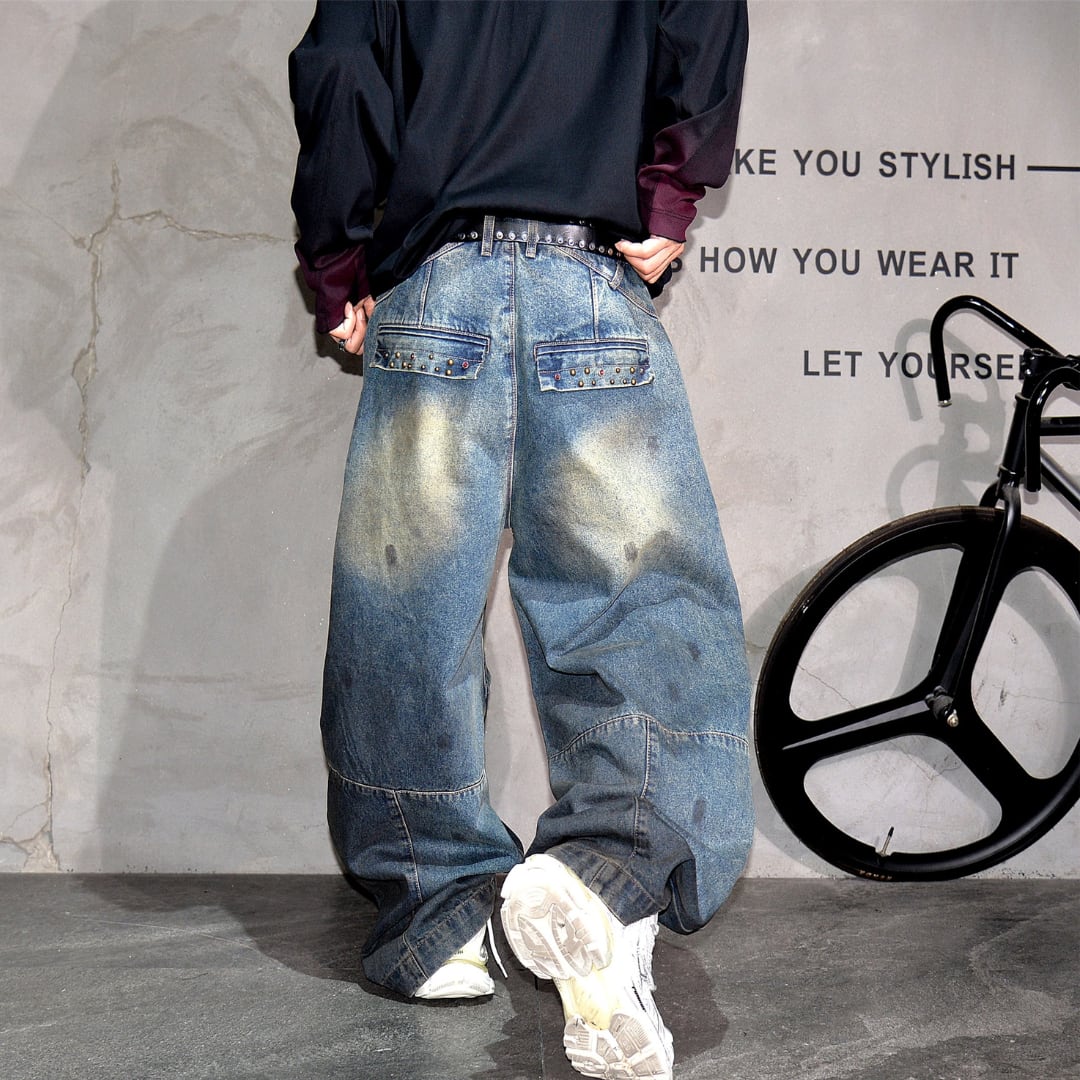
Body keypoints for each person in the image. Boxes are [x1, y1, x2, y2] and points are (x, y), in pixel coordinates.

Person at [289, 3, 752, 1077]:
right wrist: (670, 189)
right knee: (637, 605)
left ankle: (436, 914)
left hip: (434, 287)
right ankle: (605, 876)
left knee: (408, 617)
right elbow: (702, 21)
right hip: (588, 278)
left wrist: (337, 258)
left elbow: (344, 67)